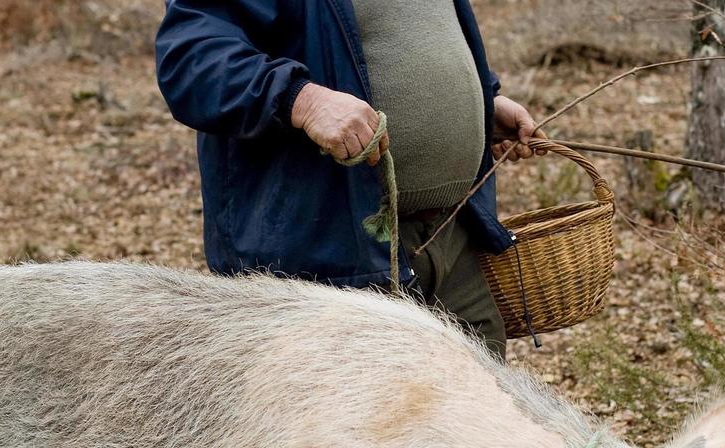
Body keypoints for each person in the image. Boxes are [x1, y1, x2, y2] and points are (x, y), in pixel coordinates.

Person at [154, 0, 546, 358]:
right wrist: (303, 101)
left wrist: (481, 100)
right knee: (358, 428)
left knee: (477, 422)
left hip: (454, 239)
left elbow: (413, 36)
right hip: (331, 256)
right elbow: (192, 59)